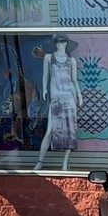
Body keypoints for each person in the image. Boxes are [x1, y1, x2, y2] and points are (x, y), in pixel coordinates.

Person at [33, 34, 81, 171]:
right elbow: (45, 75)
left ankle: (65, 163)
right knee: (50, 130)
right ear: (55, 43)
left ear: (66, 43)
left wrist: (79, 94)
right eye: (58, 41)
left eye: (62, 41)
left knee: (70, 131)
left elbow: (74, 80)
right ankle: (40, 162)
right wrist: (44, 89)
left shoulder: (71, 60)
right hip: (55, 98)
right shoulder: (49, 57)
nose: (60, 43)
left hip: (69, 97)